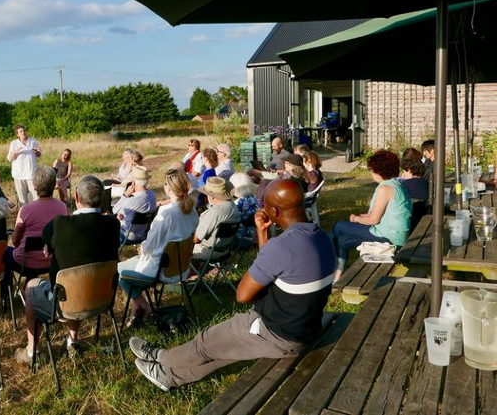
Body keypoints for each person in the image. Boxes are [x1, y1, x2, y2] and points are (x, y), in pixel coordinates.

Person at [130, 179, 335, 391]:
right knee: (225, 350)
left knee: (206, 341)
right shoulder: (321, 237)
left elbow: (243, 295)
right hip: (304, 329)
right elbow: (271, 268)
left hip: (275, 332)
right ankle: (169, 377)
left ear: (273, 211)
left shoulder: (282, 247)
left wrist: (266, 241)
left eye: (265, 205)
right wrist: (262, 233)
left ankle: (161, 357)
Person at [14, 176, 120, 363]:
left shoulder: (59, 225)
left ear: (77, 197)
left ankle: (32, 351)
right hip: (103, 298)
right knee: (76, 274)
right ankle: (73, 340)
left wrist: (50, 245)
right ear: (102, 199)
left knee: (31, 286)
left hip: (66, 303)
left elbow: (47, 238)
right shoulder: (113, 224)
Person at [118, 168, 199, 326]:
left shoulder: (167, 213)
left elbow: (150, 244)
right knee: (132, 265)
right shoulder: (193, 211)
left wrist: (142, 247)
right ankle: (136, 312)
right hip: (181, 268)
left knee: (119, 272)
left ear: (168, 188)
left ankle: (145, 307)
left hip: (160, 270)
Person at [332, 150, 411, 281]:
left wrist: (356, 218)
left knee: (339, 227)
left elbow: (374, 219)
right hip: (395, 235)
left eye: (372, 170)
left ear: (379, 171)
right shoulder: (396, 184)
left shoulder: (385, 189)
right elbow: (379, 214)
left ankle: (326, 263)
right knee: (342, 240)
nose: (371, 172)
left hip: (389, 238)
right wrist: (361, 218)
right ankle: (336, 275)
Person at [1, 167, 68, 300]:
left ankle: (6, 295)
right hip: (52, 261)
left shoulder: (26, 209)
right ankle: (31, 289)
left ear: (35, 187)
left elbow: (15, 240)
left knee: (5, 253)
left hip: (25, 263)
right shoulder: (62, 207)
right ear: (53, 185)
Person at [192, 177, 241, 261]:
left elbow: (196, 239)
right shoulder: (233, 207)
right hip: (226, 250)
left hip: (208, 252)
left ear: (212, 197)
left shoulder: (215, 212)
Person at [113, 165, 157, 243]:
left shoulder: (132, 201)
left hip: (126, 236)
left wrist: (125, 195)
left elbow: (114, 210)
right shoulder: (152, 195)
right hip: (142, 234)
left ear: (133, 182)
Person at [7, 124, 42, 206]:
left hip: (32, 174)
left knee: (35, 197)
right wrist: (15, 152)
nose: (23, 132)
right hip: (19, 175)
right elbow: (10, 158)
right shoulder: (14, 144)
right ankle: (24, 213)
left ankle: (35, 213)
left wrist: (38, 152)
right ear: (17, 134)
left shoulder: (33, 141)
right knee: (22, 199)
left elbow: (39, 154)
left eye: (24, 130)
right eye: (21, 131)